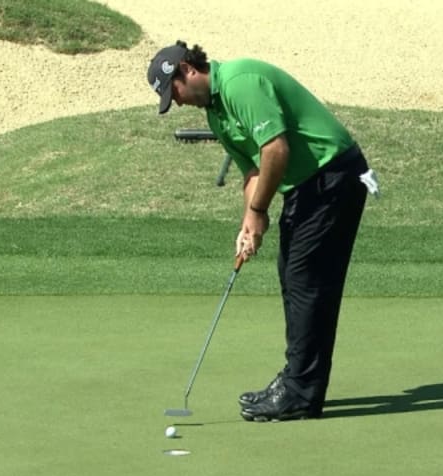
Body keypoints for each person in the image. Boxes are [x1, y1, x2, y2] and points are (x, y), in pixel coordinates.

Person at [147, 40, 379, 421]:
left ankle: (301, 393)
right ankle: (298, 382)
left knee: (307, 281)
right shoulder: (217, 114)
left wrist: (258, 210)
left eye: (175, 93)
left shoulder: (241, 82)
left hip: (332, 176)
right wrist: (249, 224)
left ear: (188, 71)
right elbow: (254, 171)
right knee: (293, 276)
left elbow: (275, 150)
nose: (179, 103)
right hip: (307, 187)